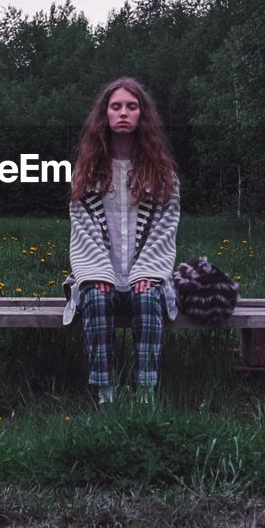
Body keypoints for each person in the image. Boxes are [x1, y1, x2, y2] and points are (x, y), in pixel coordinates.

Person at [63, 77, 181, 406]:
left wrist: (148, 274)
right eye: (116, 107)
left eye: (132, 106)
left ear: (143, 115)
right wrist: (98, 275)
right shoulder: (86, 171)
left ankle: (145, 393)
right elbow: (83, 228)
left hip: (146, 276)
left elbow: (164, 228)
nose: (124, 113)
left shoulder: (163, 174)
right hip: (100, 275)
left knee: (147, 298)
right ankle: (105, 395)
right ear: (106, 115)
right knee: (97, 298)